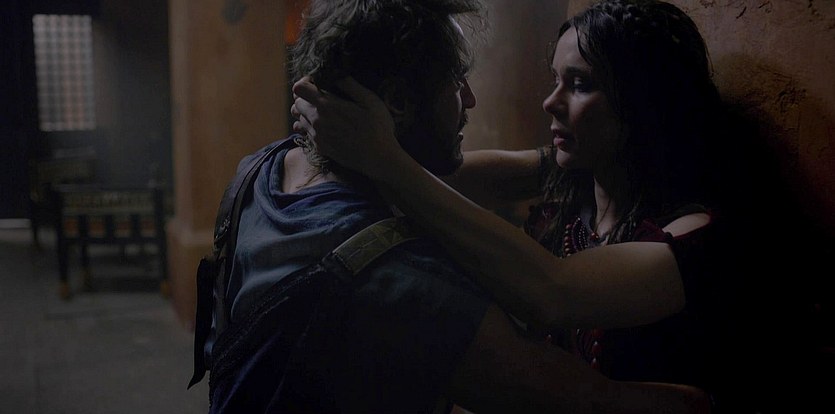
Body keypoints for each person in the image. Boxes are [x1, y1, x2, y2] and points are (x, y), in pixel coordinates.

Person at [194, 0, 713, 413]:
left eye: (578, 85)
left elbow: (541, 271)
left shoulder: (263, 171)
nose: (470, 99)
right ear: (396, 104)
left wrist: (381, 155)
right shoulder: (405, 282)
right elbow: (586, 399)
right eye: (455, 79)